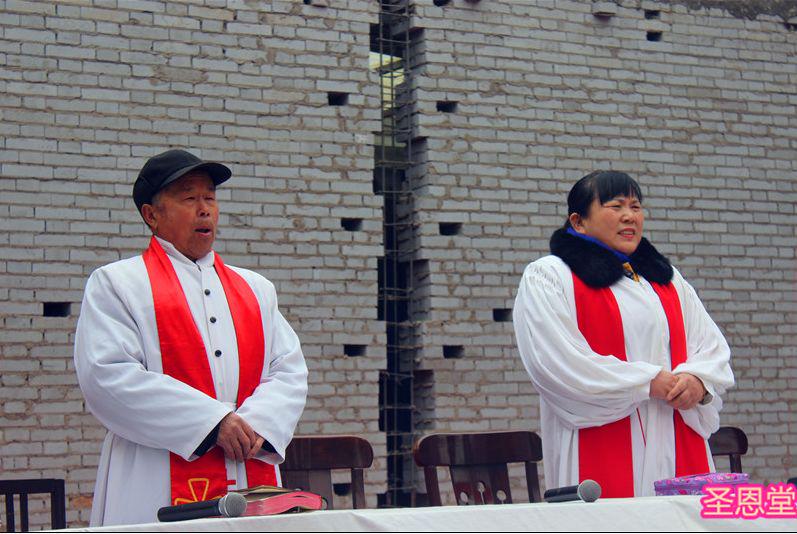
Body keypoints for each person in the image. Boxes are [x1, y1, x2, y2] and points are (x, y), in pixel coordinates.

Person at [74, 149, 308, 526]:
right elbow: (107, 375)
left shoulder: (256, 289)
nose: (204, 210)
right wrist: (213, 423)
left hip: (246, 463)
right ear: (151, 215)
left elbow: (289, 370)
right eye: (188, 198)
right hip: (154, 469)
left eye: (210, 198)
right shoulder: (118, 284)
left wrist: (256, 425)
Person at [513, 170, 733, 498]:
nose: (629, 216)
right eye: (615, 206)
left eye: (636, 206)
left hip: (676, 435)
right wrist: (645, 382)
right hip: (601, 437)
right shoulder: (550, 276)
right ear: (578, 222)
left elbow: (711, 346)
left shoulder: (667, 280)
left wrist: (698, 381)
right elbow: (557, 362)